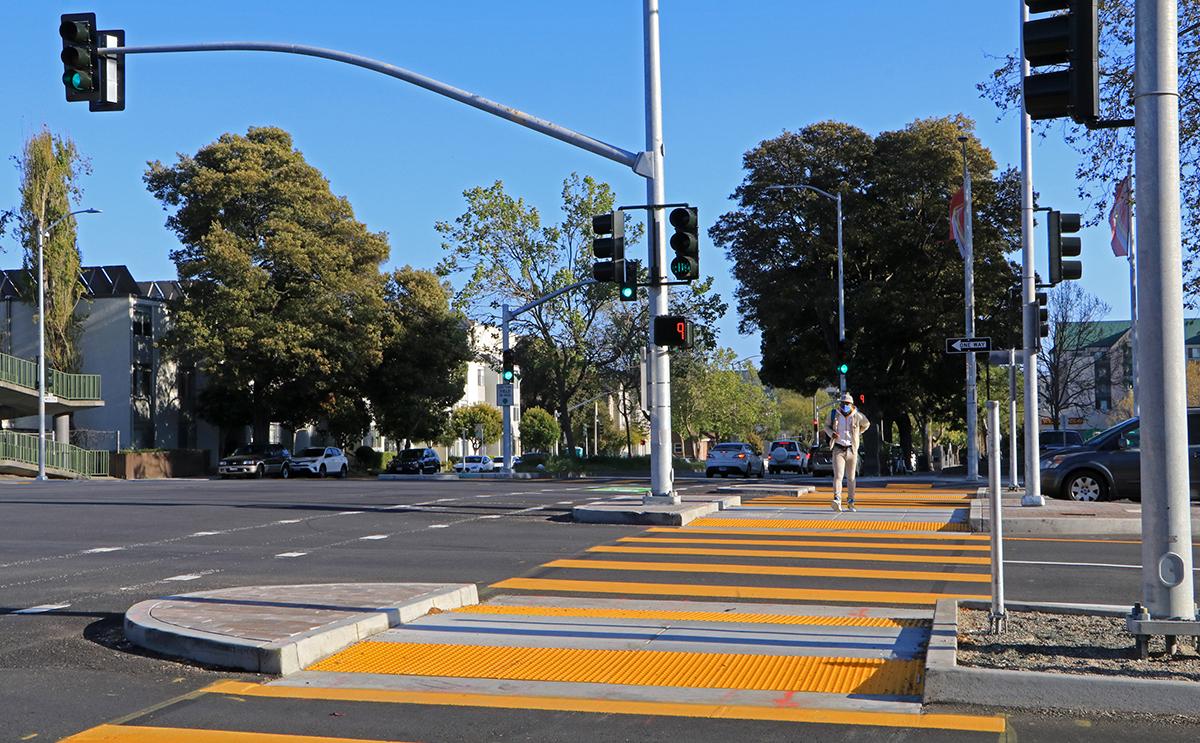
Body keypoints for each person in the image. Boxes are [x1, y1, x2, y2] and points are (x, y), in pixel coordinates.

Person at [824, 392, 871, 512]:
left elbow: (867, 424)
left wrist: (858, 433)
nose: (845, 405)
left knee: (851, 478)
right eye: (843, 403)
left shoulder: (857, 415)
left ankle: (851, 502)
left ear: (852, 404)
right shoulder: (834, 414)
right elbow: (826, 426)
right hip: (838, 448)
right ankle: (837, 499)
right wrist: (831, 434)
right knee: (838, 476)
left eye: (847, 403)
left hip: (852, 449)